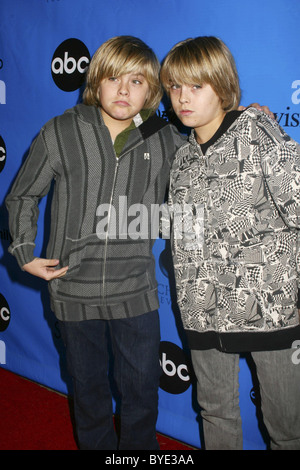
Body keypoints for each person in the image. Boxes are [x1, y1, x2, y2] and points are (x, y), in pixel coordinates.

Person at [5, 33, 272, 450]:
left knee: (141, 398)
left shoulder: (163, 136)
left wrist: (242, 119)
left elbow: (209, 151)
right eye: (113, 78)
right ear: (96, 81)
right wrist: (23, 251)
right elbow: (22, 194)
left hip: (136, 295)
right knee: (89, 395)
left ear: (151, 90)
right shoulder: (62, 130)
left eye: (137, 81)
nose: (124, 90)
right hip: (73, 294)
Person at [160, 36, 300, 450]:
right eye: (174, 87)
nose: (182, 98)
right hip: (202, 313)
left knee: (288, 428)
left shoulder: (257, 131)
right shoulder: (181, 159)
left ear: (221, 85)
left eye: (196, 86)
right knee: (215, 413)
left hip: (271, 311)